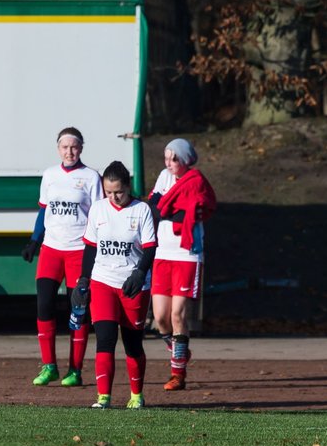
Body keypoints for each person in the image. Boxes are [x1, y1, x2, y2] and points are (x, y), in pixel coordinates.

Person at [21, 127, 103, 389]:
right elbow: (44, 211)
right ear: (58, 148)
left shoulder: (91, 177)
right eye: (65, 147)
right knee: (44, 305)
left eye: (74, 147)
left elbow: (99, 216)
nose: (69, 151)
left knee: (77, 310)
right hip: (51, 250)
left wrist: (96, 248)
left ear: (81, 148)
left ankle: (75, 370)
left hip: (79, 251)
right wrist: (34, 240)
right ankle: (49, 366)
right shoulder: (50, 175)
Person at [71, 160, 157, 409]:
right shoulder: (98, 209)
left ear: (128, 187)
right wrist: (83, 280)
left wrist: (140, 273)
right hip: (103, 282)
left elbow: (150, 247)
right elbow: (90, 247)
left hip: (132, 285)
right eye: (108, 192)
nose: (114, 197)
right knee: (105, 340)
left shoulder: (142, 210)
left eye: (118, 191)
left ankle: (136, 395)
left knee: (132, 343)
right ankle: (103, 398)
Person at [146, 137, 217, 391]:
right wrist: (170, 209)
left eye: (174, 158)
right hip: (163, 253)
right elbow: (154, 206)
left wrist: (169, 209)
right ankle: (179, 350)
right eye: (166, 157)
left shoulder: (196, 181)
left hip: (186, 254)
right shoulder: (164, 177)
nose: (169, 163)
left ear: (185, 159)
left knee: (178, 314)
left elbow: (198, 210)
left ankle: (178, 373)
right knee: (160, 318)